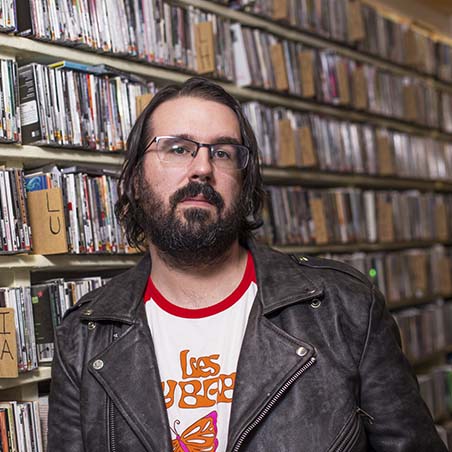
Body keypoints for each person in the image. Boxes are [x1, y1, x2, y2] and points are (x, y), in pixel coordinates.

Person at [48, 77, 447, 452]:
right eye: (177, 148)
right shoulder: (85, 335)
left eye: (222, 152)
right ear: (134, 179)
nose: (202, 168)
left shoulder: (345, 309)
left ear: (245, 180)